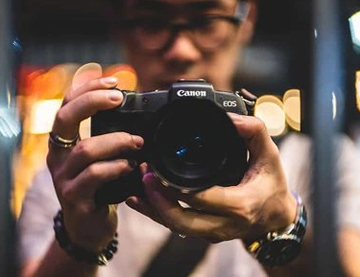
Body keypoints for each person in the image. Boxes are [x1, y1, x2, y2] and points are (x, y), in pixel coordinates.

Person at [16, 0, 360, 277]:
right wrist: (81, 238)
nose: (181, 50)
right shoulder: (75, 183)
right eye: (152, 22)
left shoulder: (321, 164)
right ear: (121, 28)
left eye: (206, 19)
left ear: (246, 17)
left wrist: (279, 222)